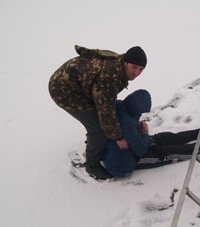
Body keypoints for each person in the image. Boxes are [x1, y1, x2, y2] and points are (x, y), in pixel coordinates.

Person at [48, 45, 147, 177]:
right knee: (98, 129)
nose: (136, 73)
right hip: (64, 91)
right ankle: (92, 166)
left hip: (81, 85)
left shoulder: (118, 66)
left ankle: (94, 144)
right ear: (125, 62)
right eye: (134, 67)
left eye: (141, 69)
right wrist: (119, 137)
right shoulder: (109, 78)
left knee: (101, 117)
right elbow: (106, 112)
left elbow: (106, 103)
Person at [90, 89, 200, 180]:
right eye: (140, 112)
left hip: (129, 146)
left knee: (166, 137)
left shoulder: (122, 106)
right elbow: (141, 150)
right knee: (168, 152)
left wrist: (142, 133)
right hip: (125, 162)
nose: (140, 115)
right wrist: (144, 132)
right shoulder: (128, 124)